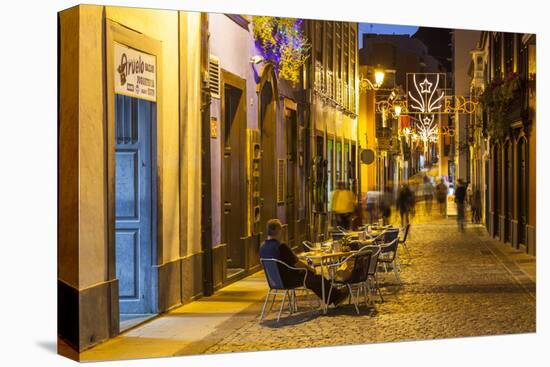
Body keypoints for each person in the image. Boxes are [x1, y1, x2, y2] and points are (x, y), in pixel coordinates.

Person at [259, 219, 349, 306]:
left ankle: (333, 295)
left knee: (314, 278)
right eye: (281, 229)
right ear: (278, 230)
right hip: (289, 279)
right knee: (316, 278)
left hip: (275, 280)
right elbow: (297, 263)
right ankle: (336, 297)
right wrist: (310, 269)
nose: (283, 231)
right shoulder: (281, 246)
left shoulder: (263, 247)